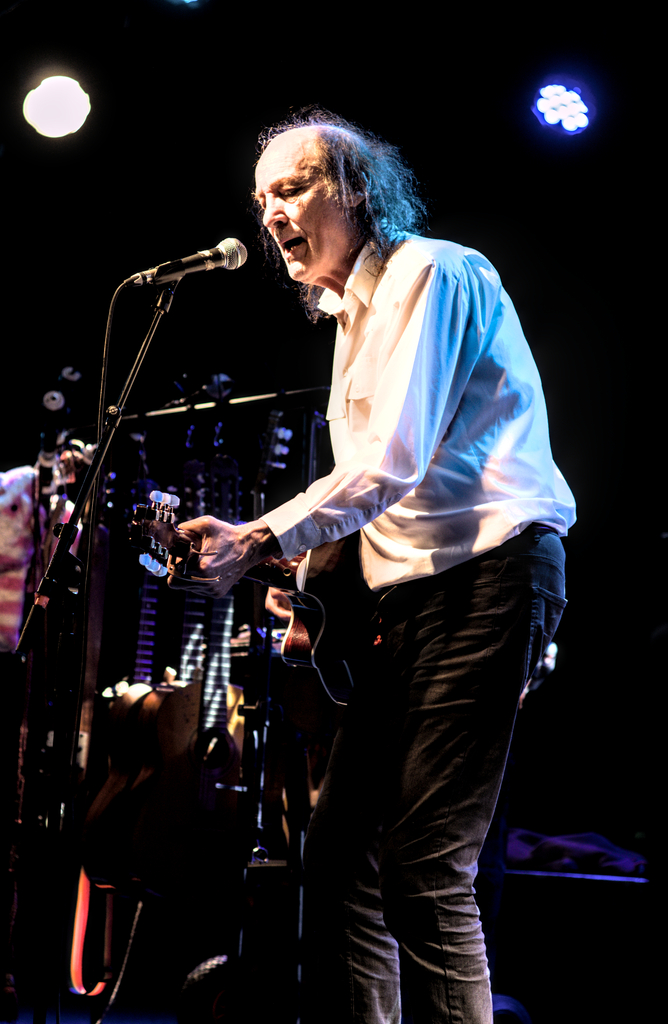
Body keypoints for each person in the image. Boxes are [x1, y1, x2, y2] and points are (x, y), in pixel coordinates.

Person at [170, 108, 576, 1024]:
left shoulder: (432, 271)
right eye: (262, 197)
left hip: (491, 580)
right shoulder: (349, 319)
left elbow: (392, 460)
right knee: (341, 848)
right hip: (415, 603)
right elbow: (389, 495)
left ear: (356, 190)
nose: (272, 213)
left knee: (426, 863)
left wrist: (260, 535)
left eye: (293, 187)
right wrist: (307, 585)